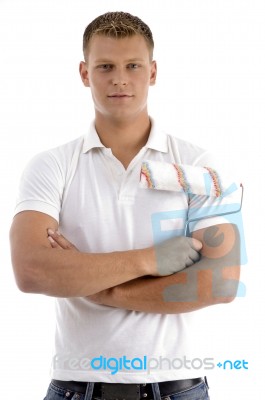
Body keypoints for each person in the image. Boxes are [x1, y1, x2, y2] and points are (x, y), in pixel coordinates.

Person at [10, 11, 242, 400]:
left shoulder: (198, 165)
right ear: (85, 73)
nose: (119, 78)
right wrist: (149, 260)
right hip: (76, 387)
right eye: (105, 66)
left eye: (133, 65)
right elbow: (32, 270)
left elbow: (221, 281)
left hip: (176, 388)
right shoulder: (51, 165)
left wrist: (99, 290)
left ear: (152, 72)